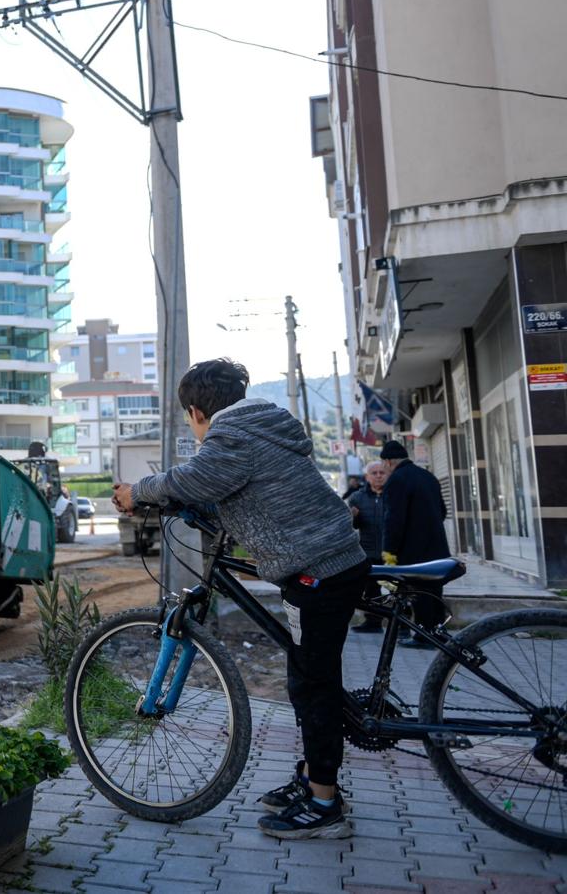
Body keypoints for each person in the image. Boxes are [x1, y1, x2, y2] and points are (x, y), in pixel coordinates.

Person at [112, 358, 365, 840]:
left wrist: (138, 492)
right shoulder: (262, 426)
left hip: (321, 570)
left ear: (195, 411)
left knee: (314, 685)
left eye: (189, 418)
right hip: (326, 561)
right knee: (305, 676)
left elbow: (192, 478)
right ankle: (313, 775)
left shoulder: (231, 436)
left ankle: (324, 803)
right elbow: (220, 489)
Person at [378, 439, 450, 647]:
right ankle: (438, 632)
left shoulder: (397, 480)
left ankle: (423, 635)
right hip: (436, 546)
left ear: (389, 462)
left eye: (383, 464)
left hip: (413, 550)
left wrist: (389, 550)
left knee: (418, 593)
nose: (383, 468)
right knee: (434, 592)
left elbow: (393, 519)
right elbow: (442, 511)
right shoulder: (428, 477)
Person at [346, 461, 389, 633]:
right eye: (374, 473)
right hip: (369, 550)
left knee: (401, 589)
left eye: (382, 472)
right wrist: (352, 517)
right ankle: (373, 622)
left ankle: (402, 625)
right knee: (371, 589)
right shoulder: (357, 497)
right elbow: (352, 526)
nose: (378, 475)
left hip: (392, 551)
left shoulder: (395, 495)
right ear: (367, 477)